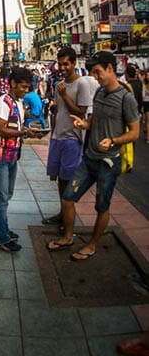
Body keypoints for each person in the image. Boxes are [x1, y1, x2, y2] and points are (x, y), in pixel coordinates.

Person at [47, 51, 140, 261]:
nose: (95, 77)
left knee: (102, 206)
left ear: (110, 68)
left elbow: (134, 132)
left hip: (109, 161)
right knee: (68, 197)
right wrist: (84, 125)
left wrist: (114, 141)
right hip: (89, 158)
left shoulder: (126, 98)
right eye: (93, 72)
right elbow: (92, 120)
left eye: (98, 72)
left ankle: (92, 244)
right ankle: (68, 236)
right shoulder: (99, 94)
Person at [0, 67, 44, 252]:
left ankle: (0, 230)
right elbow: (0, 129)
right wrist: (23, 132)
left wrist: (29, 133)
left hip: (12, 156)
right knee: (2, 198)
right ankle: (1, 238)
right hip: (0, 158)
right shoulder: (3, 102)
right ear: (13, 83)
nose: (26, 90)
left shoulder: (18, 103)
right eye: (23, 86)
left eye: (28, 87)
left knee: (5, 196)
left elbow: (16, 128)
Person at [41, 47, 94, 228]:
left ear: (73, 63)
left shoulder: (82, 85)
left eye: (66, 64)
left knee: (69, 181)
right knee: (60, 180)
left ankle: (68, 220)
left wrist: (64, 95)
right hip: (58, 136)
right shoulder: (60, 84)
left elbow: (81, 112)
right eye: (60, 64)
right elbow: (59, 112)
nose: (62, 68)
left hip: (72, 138)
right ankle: (63, 214)